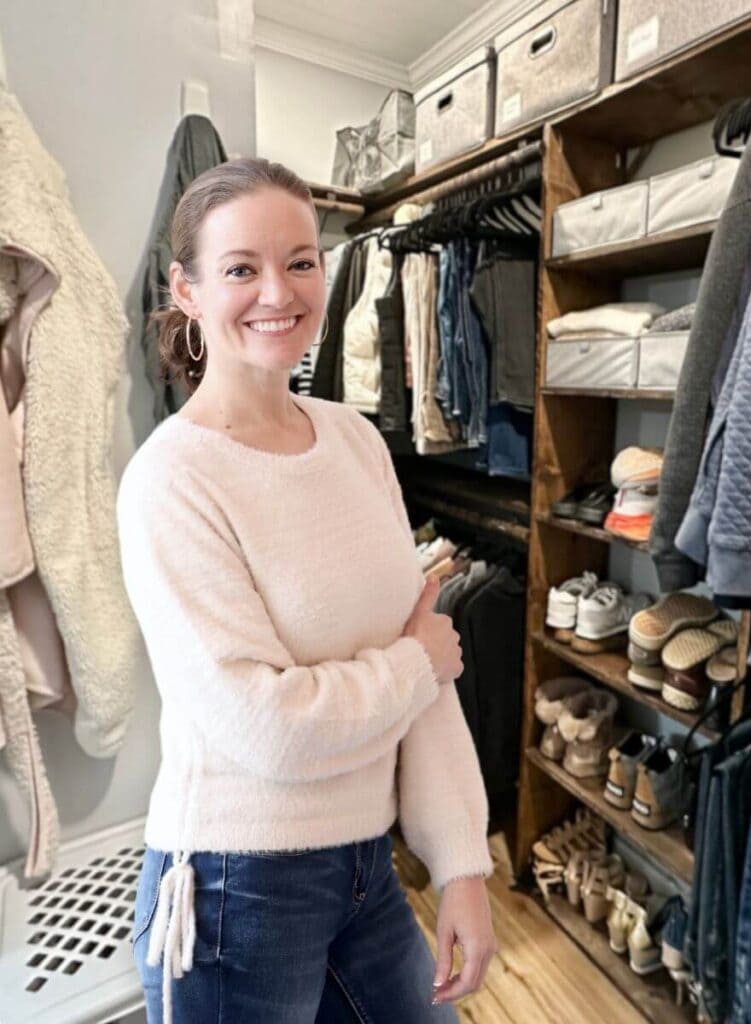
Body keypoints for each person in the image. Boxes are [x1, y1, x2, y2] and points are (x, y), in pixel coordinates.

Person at [116, 157, 497, 1023]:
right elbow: (268, 726)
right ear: (187, 290)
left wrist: (462, 865)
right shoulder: (170, 481)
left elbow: (426, 665)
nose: (277, 293)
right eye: (241, 269)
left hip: (366, 864)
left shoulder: (356, 441)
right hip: (233, 887)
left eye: (299, 261)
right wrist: (412, 665)